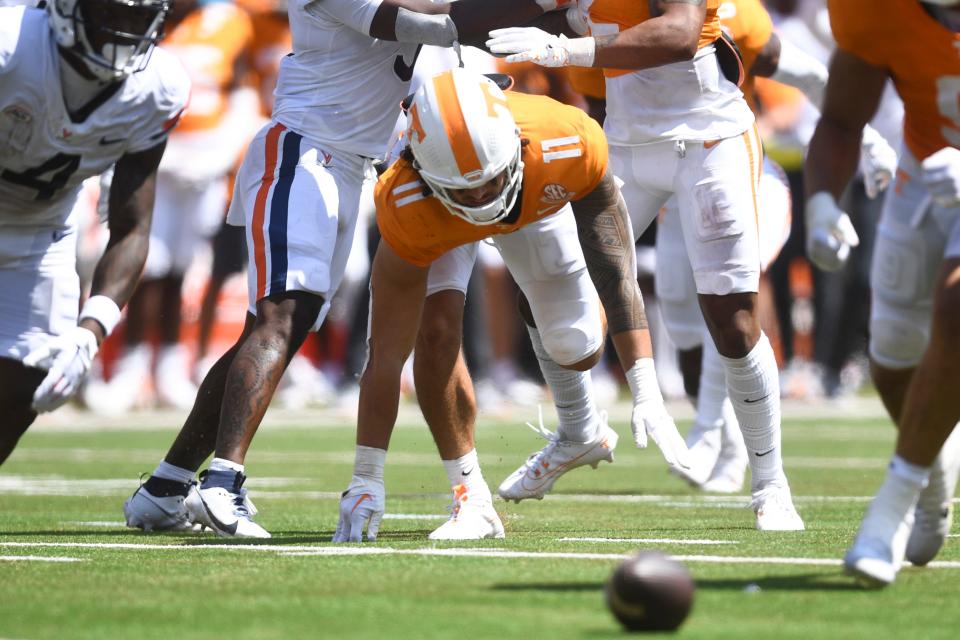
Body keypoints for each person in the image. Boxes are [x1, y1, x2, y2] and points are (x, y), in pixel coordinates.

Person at [122, 0, 596, 539]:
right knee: (283, 316)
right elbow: (431, 22)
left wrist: (566, 24)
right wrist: (559, 17)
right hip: (304, 150)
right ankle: (222, 484)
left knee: (285, 324)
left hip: (359, 162)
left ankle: (166, 486)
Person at [487, 0, 805, 530]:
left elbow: (680, 31)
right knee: (544, 280)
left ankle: (771, 484)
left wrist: (569, 48)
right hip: (626, 142)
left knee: (732, 318)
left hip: (709, 138)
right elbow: (547, 19)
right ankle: (578, 429)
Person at [333, 68, 685, 542]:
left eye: (489, 181)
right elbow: (386, 356)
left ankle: (580, 427)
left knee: (576, 343)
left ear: (514, 143)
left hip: (528, 193)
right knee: (434, 335)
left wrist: (645, 388)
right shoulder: (407, 198)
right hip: (442, 213)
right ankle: (470, 498)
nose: (481, 198)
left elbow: (616, 271)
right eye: (467, 189)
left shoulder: (566, 138)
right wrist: (365, 476)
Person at [659, 0, 898, 493]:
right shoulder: (608, 14)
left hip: (744, 174)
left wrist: (868, 139)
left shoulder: (734, 13)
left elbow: (806, 77)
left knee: (725, 300)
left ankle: (713, 435)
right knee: (680, 310)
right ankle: (722, 440)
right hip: (666, 178)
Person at [805, 0, 960, 587]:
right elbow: (844, 118)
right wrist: (822, 201)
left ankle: (888, 512)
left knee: (956, 307)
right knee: (893, 354)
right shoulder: (876, 10)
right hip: (927, 172)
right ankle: (935, 479)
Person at [0, 0, 189, 465]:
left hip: (37, 235)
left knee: (30, 379)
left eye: (138, 18)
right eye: (112, 14)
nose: (125, 31)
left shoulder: (157, 88)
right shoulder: (11, 43)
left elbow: (132, 226)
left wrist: (91, 330)